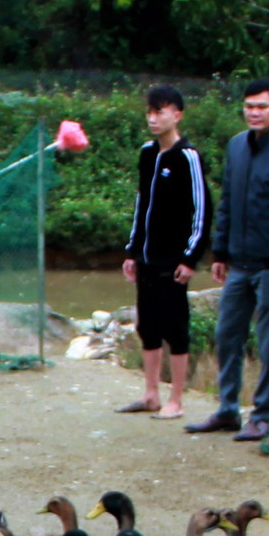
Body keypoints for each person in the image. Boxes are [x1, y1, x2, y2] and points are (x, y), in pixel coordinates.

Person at [186, 78, 269, 444]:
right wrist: (220, 251)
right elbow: (228, 200)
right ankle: (228, 409)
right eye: (249, 106)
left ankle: (262, 416)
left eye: (262, 106)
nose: (254, 113)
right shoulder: (237, 146)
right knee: (226, 334)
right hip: (238, 262)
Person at [118, 85, 205, 418]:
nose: (154, 119)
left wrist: (190, 258)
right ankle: (151, 392)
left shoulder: (188, 157)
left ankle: (177, 399)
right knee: (148, 325)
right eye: (150, 112)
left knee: (176, 327)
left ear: (177, 115)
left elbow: (201, 209)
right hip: (146, 257)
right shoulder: (147, 153)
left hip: (174, 260)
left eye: (161, 112)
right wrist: (132, 250)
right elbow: (142, 204)